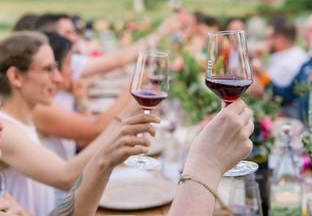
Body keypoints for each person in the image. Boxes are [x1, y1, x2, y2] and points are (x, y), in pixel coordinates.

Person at [0, 31, 158, 215]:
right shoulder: (6, 130)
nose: (58, 78)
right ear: (16, 77)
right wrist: (124, 114)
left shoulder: (27, 116)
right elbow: (68, 176)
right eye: (47, 69)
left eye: (57, 67)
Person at [34, 13, 179, 79]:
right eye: (68, 32)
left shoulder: (71, 61)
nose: (75, 37)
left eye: (74, 31)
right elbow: (116, 61)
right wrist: (160, 32)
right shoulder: (45, 80)